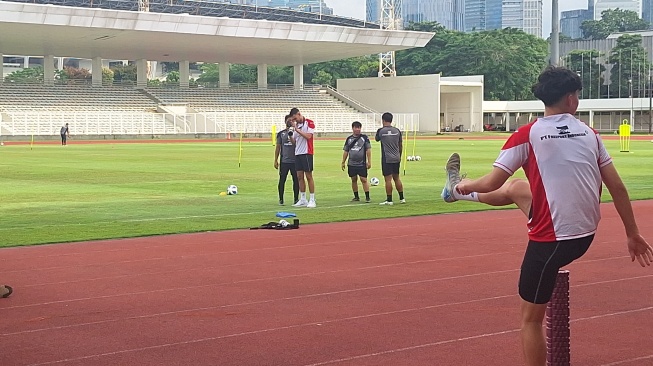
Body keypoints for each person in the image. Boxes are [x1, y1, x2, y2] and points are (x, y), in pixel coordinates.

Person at [440, 66, 653, 366]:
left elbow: (490, 182)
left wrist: (466, 182)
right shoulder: (590, 134)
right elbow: (616, 186)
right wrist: (632, 233)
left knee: (530, 320)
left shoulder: (528, 133)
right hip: (585, 232)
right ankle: (453, 192)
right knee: (517, 188)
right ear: (571, 100)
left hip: (551, 240)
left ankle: (456, 189)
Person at [375, 112, 405, 205]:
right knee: (397, 177)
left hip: (386, 158)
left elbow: (377, 139)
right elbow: (400, 145)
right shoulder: (397, 131)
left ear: (383, 120)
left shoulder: (381, 131)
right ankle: (402, 198)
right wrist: (399, 156)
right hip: (396, 157)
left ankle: (389, 200)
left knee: (388, 179)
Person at [289, 107, 316, 208]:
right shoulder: (296, 126)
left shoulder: (309, 123)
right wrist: (290, 135)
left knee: (309, 176)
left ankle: (312, 199)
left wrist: (297, 129)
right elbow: (294, 142)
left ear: (299, 114)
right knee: (300, 177)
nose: (295, 120)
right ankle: (303, 198)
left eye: (295, 118)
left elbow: (309, 136)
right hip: (298, 153)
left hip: (307, 152)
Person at [341, 121, 372, 203]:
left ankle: (367, 197)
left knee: (363, 179)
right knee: (353, 179)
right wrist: (343, 162)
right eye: (356, 127)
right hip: (351, 163)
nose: (358, 129)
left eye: (359, 127)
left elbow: (368, 150)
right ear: (353, 128)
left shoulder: (364, 138)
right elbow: (346, 151)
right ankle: (356, 196)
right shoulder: (349, 139)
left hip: (362, 163)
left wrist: (369, 161)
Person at [274, 115, 299, 205]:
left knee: (296, 180)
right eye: (289, 120)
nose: (290, 121)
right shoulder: (281, 133)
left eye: (292, 120)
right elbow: (278, 147)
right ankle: (281, 199)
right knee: (282, 180)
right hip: (284, 161)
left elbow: (296, 144)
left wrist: (291, 134)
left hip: (295, 161)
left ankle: (296, 199)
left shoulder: (297, 132)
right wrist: (275, 160)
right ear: (285, 121)